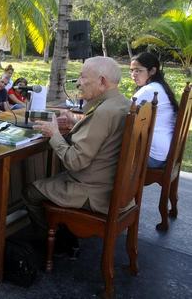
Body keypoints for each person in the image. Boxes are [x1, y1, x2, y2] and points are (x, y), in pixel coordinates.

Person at [24, 57, 132, 250]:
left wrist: (54, 133)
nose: (79, 82)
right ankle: (64, 233)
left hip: (93, 192)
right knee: (53, 178)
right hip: (111, 185)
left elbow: (75, 162)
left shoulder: (103, 112)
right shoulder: (122, 103)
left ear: (102, 81)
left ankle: (50, 243)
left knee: (30, 191)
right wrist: (77, 123)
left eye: (83, 77)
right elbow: (105, 137)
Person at [130, 52, 178, 168]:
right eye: (131, 70)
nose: (133, 75)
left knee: (106, 149)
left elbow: (124, 113)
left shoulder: (149, 90)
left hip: (153, 156)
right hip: (164, 153)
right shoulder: (160, 87)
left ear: (152, 71)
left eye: (138, 70)